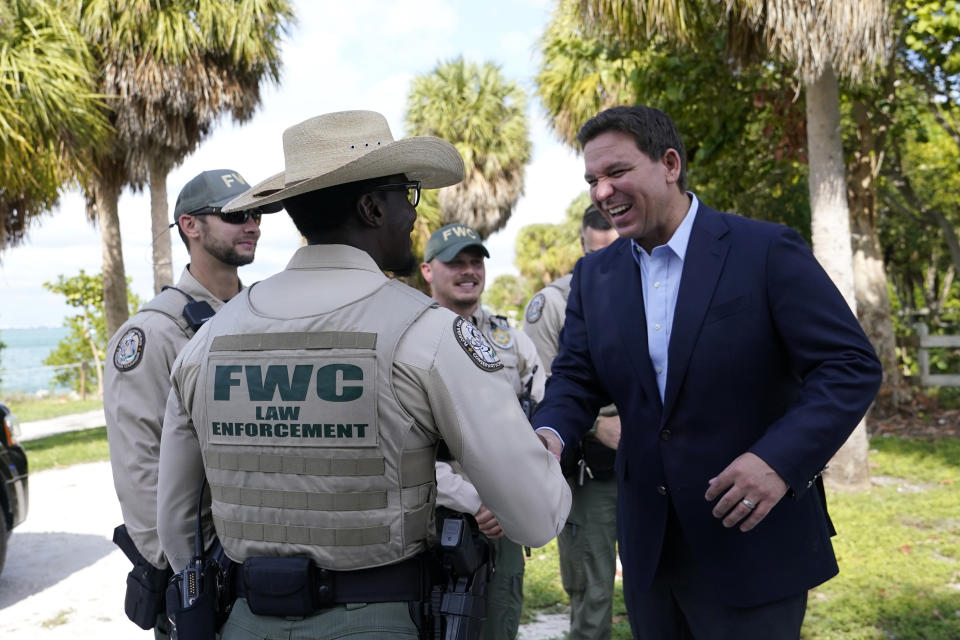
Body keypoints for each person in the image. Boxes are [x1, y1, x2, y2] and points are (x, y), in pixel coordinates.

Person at [156, 110, 571, 640]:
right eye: (407, 196)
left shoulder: (209, 340)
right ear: (372, 208)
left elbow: (176, 524)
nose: (414, 217)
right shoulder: (426, 334)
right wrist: (547, 459)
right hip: (382, 619)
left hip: (246, 619)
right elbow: (535, 516)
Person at [532, 105, 883, 639]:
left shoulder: (765, 250)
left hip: (754, 545)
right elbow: (575, 379)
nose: (602, 193)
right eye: (593, 180)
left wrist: (778, 461)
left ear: (669, 163)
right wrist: (552, 433)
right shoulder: (594, 276)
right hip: (650, 554)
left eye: (617, 173)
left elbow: (850, 365)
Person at [105, 169, 280, 637]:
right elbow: (140, 470)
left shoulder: (266, 318)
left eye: (257, 213)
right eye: (237, 214)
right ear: (190, 226)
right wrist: (189, 573)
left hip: (267, 568)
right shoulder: (153, 334)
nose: (253, 225)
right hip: (205, 581)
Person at [420, 223, 547, 640]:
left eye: (476, 262)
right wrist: (473, 499)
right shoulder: (409, 338)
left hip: (504, 520)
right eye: (455, 262)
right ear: (427, 270)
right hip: (433, 522)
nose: (468, 271)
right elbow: (400, 444)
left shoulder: (511, 340)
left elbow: (543, 417)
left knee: (500, 623)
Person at [522, 205, 620, 640]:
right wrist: (596, 425)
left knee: (661, 586)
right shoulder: (555, 303)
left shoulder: (654, 289)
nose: (606, 261)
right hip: (590, 466)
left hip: (652, 462)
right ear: (582, 245)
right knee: (592, 592)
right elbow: (548, 389)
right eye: (596, 251)